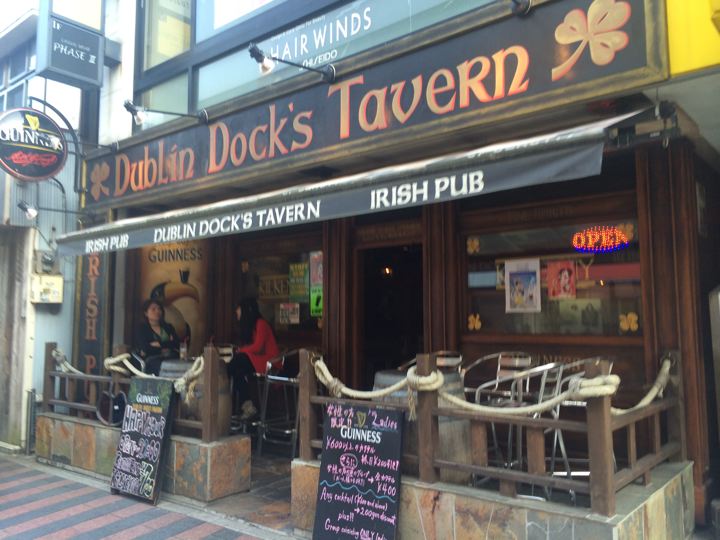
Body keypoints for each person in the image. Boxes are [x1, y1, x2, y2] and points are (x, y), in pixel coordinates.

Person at [226, 297, 279, 420]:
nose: (236, 312)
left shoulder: (261, 324)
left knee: (236, 363)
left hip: (269, 363)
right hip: (259, 361)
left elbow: (258, 347)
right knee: (237, 371)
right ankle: (247, 406)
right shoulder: (252, 326)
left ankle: (232, 403)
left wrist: (241, 350)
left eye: (238, 309)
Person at [134, 298, 180, 376]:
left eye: (159, 309)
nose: (157, 311)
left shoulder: (168, 327)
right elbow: (145, 348)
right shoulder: (142, 328)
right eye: (153, 309)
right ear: (146, 313)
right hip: (152, 360)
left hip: (171, 358)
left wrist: (160, 344)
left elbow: (176, 344)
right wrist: (166, 347)